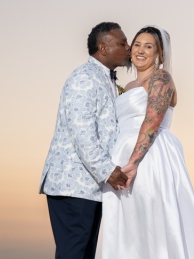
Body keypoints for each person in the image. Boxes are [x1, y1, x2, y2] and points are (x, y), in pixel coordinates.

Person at [102, 26, 194, 259]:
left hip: (148, 157)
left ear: (159, 53)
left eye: (148, 47)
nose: (140, 50)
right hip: (122, 157)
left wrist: (133, 162)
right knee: (130, 226)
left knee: (154, 218)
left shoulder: (160, 78)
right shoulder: (127, 88)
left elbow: (152, 121)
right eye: (137, 44)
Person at [40, 22, 131, 259]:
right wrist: (107, 171)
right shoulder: (84, 78)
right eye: (122, 43)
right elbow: (82, 133)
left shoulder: (107, 81)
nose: (128, 48)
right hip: (73, 185)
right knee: (73, 253)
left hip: (89, 187)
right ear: (103, 48)